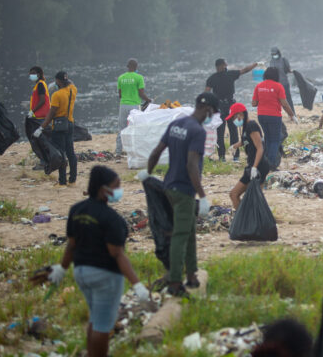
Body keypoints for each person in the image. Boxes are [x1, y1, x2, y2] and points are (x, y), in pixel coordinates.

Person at [48, 165, 150, 357]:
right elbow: (117, 253)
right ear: (104, 190)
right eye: (116, 185)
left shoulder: (77, 210)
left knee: (95, 318)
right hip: (105, 275)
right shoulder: (112, 219)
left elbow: (71, 245)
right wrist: (137, 284)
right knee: (104, 325)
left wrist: (61, 269)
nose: (119, 189)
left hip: (81, 273)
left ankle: (90, 353)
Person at [140, 92, 219, 297]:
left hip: (168, 186)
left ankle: (192, 275)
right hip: (184, 190)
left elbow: (157, 151)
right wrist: (202, 196)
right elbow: (192, 165)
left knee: (189, 230)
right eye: (213, 112)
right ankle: (175, 282)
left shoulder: (178, 123)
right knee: (180, 236)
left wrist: (147, 174)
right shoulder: (197, 131)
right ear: (208, 109)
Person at [205, 58, 259, 162]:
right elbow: (245, 70)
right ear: (221, 66)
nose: (227, 65)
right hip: (231, 106)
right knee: (233, 131)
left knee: (220, 133)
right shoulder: (230, 74)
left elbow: (206, 93)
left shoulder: (212, 78)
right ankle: (235, 157)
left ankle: (222, 158)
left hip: (219, 106)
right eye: (225, 64)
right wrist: (255, 64)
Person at [34, 71, 78, 186]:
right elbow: (71, 83)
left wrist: (41, 128)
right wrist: (65, 80)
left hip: (59, 126)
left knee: (61, 153)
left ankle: (62, 181)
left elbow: (51, 114)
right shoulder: (73, 90)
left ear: (58, 81)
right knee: (70, 152)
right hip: (70, 123)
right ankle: (73, 179)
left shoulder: (57, 95)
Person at [226, 103, 270, 209]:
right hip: (255, 165)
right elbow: (246, 140)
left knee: (234, 194)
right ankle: (252, 220)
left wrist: (254, 167)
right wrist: (235, 146)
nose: (233, 121)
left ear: (241, 114)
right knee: (256, 199)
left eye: (234, 118)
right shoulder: (246, 127)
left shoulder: (251, 126)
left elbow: (260, 148)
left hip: (258, 166)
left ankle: (242, 222)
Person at [253, 67, 298, 170]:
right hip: (274, 116)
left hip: (261, 116)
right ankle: (271, 164)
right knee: (275, 140)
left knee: (268, 138)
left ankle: (266, 162)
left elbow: (254, 103)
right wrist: (292, 115)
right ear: (276, 75)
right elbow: (284, 103)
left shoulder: (258, 86)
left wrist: (264, 99)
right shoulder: (278, 86)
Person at [116, 59, 151, 155]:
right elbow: (141, 93)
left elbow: (120, 95)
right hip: (134, 106)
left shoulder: (121, 78)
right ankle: (134, 152)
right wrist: (148, 100)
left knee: (121, 129)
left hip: (123, 105)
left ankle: (118, 152)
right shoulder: (139, 77)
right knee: (135, 128)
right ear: (136, 67)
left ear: (128, 66)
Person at [27, 66, 50, 170]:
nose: (31, 75)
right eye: (30, 73)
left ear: (39, 74)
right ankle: (45, 161)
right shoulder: (39, 85)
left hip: (40, 116)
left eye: (33, 73)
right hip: (40, 116)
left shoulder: (40, 85)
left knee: (39, 141)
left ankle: (44, 162)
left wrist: (33, 111)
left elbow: (42, 101)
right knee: (40, 140)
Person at [269, 47, 295, 112]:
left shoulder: (283, 60)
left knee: (288, 99)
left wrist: (292, 71)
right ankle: (277, 113)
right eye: (273, 54)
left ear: (278, 53)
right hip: (276, 84)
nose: (274, 55)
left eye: (275, 54)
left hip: (284, 83)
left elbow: (288, 70)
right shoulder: (271, 61)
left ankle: (292, 113)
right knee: (276, 100)